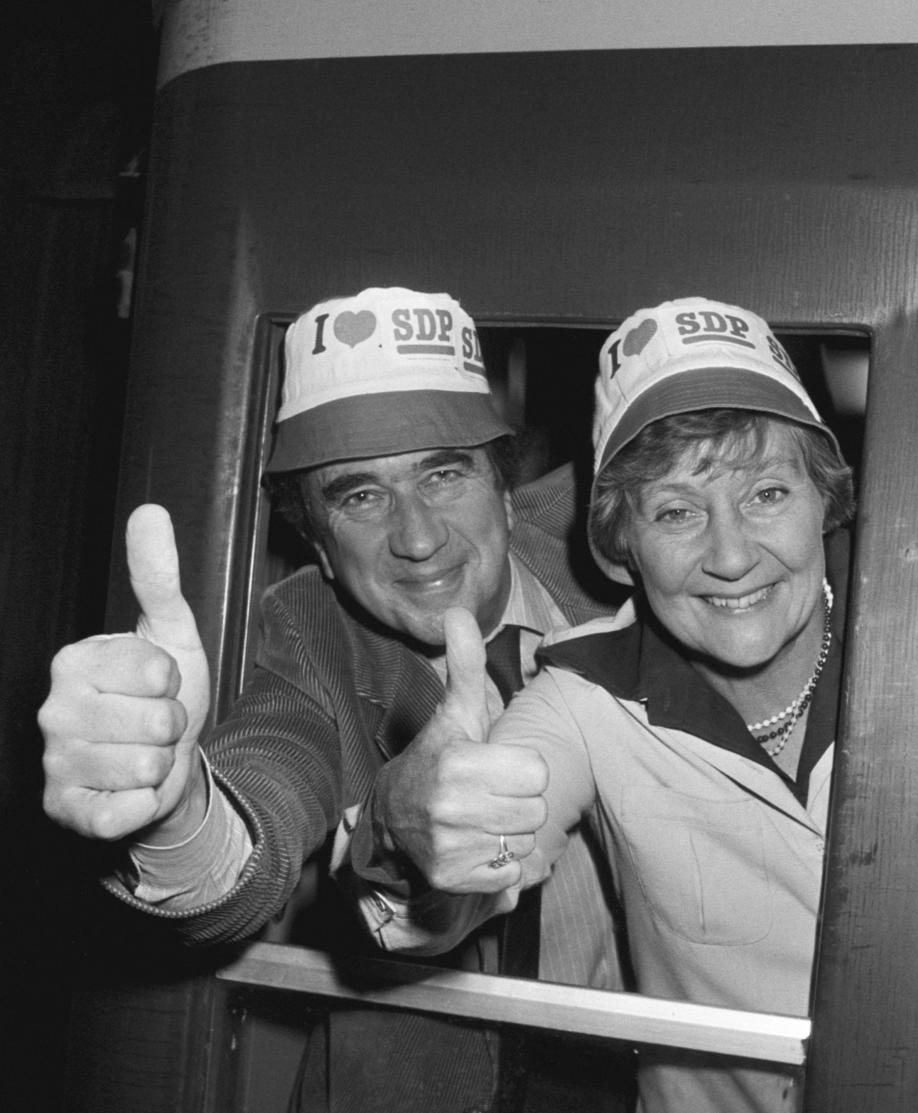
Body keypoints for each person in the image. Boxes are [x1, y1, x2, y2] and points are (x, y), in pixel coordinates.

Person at [38, 286, 633, 1113]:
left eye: (444, 473)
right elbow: (266, 788)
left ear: (505, 487)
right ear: (317, 543)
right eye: (360, 495)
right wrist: (174, 819)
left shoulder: (628, 559)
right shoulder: (306, 636)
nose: (417, 536)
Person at [363, 296, 856, 1113]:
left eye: (767, 493)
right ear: (623, 545)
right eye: (675, 511)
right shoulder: (582, 698)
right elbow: (454, 887)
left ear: (825, 499)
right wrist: (404, 827)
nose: (730, 555)